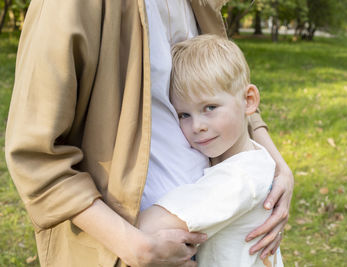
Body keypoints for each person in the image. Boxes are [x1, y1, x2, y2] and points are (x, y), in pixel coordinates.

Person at [5, 0, 293, 266]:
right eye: (185, 116)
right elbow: (34, 155)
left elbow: (226, 84)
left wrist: (275, 167)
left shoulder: (197, 4)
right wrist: (131, 244)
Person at [138, 34, 284, 267]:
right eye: (184, 115)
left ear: (248, 100)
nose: (197, 126)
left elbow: (147, 228)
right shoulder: (256, 157)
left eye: (210, 107)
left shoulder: (236, 179)